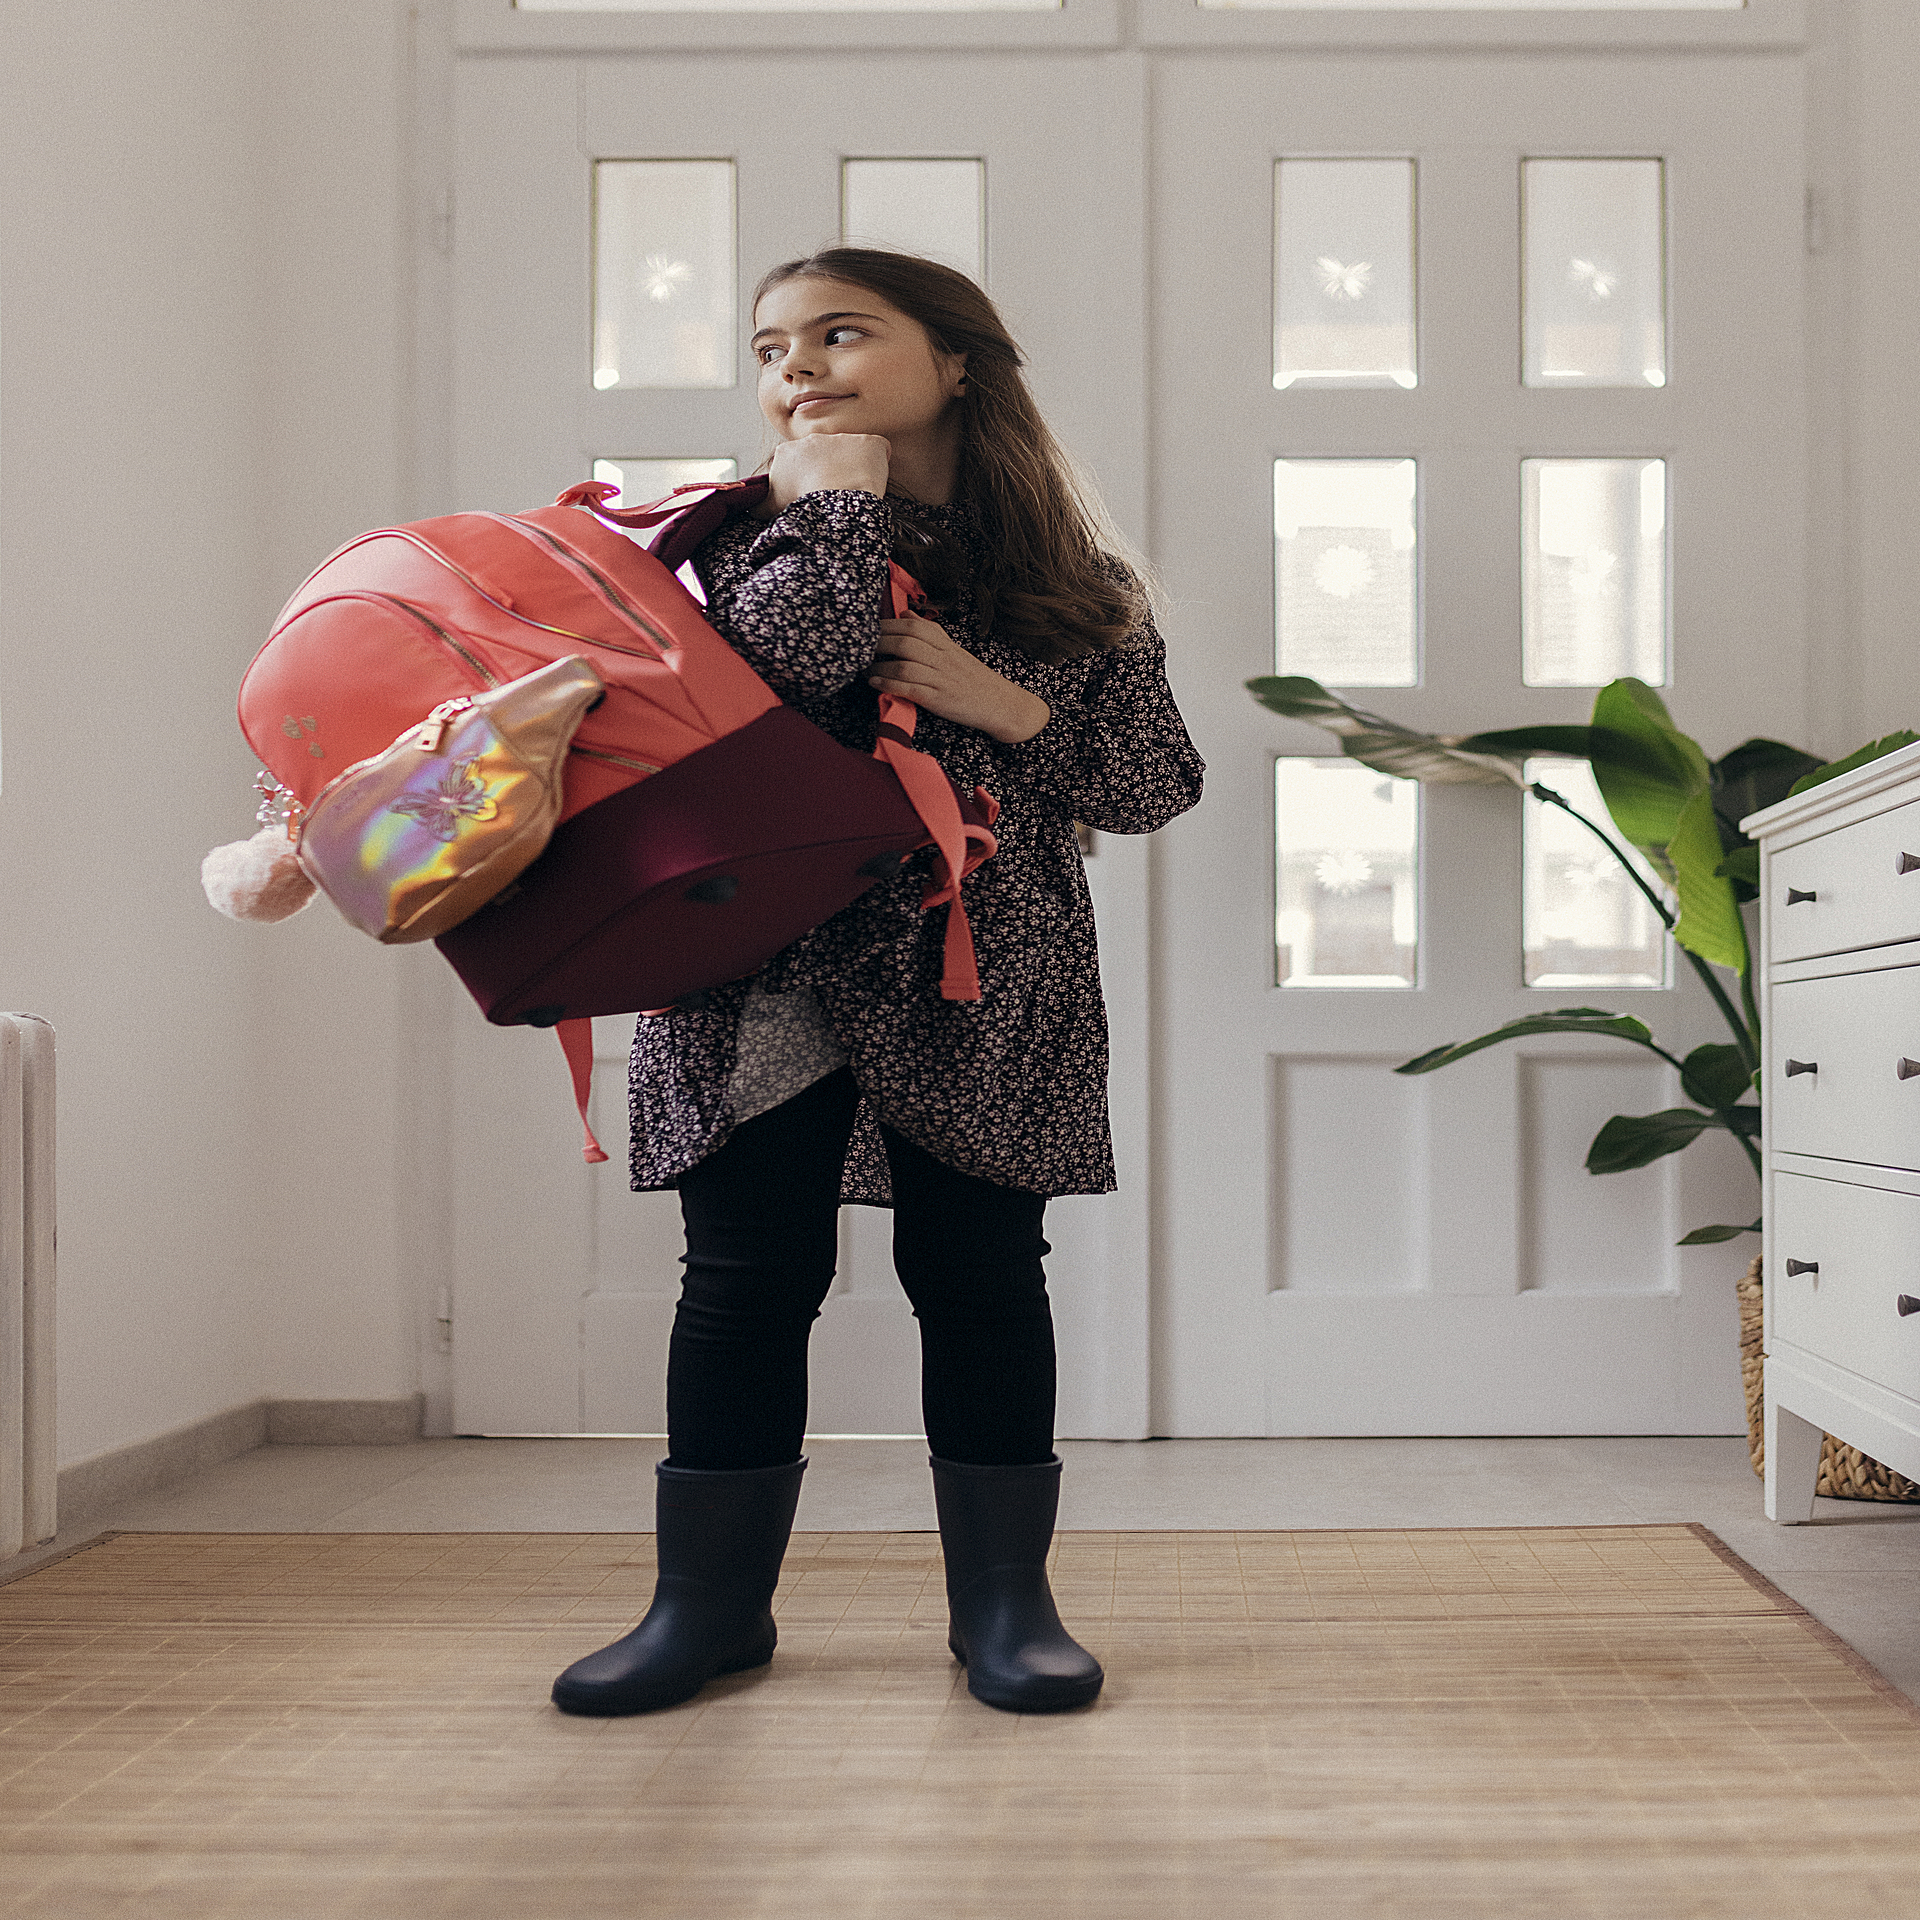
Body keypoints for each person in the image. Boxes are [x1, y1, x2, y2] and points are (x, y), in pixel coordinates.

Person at [550, 248, 1203, 1720]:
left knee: (978, 1281)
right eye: (773, 346)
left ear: (958, 361)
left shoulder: (1065, 582)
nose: (799, 369)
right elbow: (801, 659)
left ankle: (1005, 1610)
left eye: (842, 335)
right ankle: (703, 1610)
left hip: (985, 982)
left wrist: (1006, 702)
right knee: (740, 1285)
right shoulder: (723, 553)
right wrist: (833, 502)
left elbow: (1157, 780)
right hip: (754, 981)